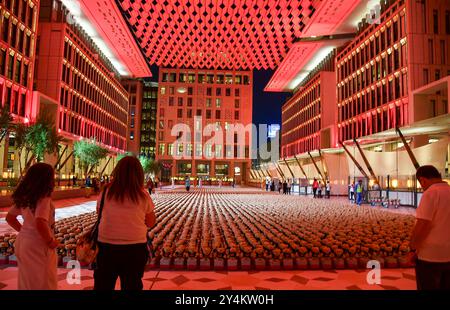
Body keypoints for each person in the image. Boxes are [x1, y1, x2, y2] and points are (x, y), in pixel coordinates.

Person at [94, 156, 156, 290]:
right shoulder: (142, 195)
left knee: (103, 285)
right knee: (132, 285)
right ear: (139, 174)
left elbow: (99, 213)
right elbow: (151, 222)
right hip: (134, 248)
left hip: (106, 247)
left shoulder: (106, 191)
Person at [6, 163, 59, 290]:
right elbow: (40, 221)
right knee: (44, 281)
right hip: (38, 244)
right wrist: (50, 241)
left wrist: (24, 231)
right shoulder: (43, 197)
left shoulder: (26, 196)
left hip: (23, 242)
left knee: (27, 281)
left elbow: (10, 217)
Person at [410, 165, 450, 290]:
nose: (422, 187)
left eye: (421, 184)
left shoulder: (431, 193)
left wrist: (412, 249)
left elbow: (422, 225)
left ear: (422, 180)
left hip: (430, 256)